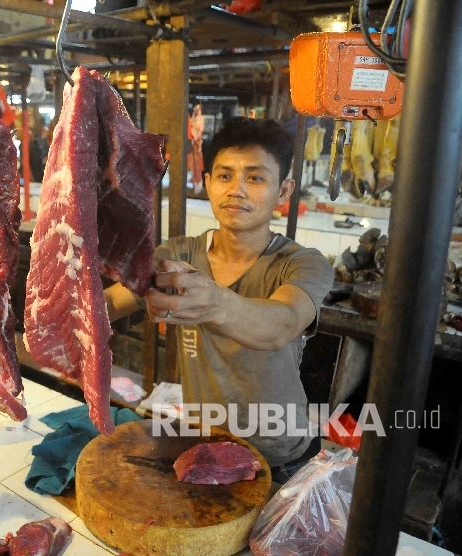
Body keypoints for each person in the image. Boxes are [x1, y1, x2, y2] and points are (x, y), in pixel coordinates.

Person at [104, 117, 334, 480]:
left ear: (284, 192)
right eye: (225, 176)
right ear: (208, 183)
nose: (237, 190)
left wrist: (215, 303)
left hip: (279, 456)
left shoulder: (303, 263)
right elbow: (112, 304)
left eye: (255, 178)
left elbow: (282, 324)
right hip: (205, 448)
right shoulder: (178, 254)